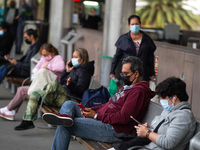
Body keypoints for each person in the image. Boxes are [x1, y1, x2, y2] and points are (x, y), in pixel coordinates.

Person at [42, 56, 156, 150]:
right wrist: (92, 110)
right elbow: (109, 103)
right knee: (69, 104)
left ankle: (66, 120)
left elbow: (124, 117)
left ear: (136, 74)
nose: (122, 76)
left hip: (113, 129)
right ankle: (65, 117)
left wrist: (96, 115)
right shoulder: (128, 87)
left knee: (66, 125)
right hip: (103, 119)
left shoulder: (138, 92)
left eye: (125, 73)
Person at [14, 48, 95, 130]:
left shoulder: (85, 72)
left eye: (75, 57)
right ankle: (27, 121)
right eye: (72, 56)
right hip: (62, 96)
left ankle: (44, 95)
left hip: (71, 100)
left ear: (81, 59)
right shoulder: (75, 68)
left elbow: (81, 90)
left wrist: (70, 85)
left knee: (54, 83)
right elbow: (63, 81)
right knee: (35, 94)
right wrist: (67, 71)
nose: (72, 59)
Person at [0, 43, 65, 121]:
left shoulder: (58, 58)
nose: (44, 57)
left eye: (46, 54)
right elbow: (36, 68)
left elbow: (61, 67)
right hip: (41, 85)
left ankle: (9, 110)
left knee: (23, 90)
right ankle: (10, 110)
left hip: (49, 89)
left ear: (52, 52)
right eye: (43, 55)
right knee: (21, 89)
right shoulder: (43, 58)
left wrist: (48, 66)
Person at [131, 77, 196, 150]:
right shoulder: (169, 110)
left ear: (174, 98)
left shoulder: (183, 116)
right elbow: (160, 131)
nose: (161, 101)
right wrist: (147, 129)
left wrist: (147, 133)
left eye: (163, 97)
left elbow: (169, 142)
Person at [110, 15, 156, 82]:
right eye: (132, 24)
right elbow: (117, 57)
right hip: (127, 74)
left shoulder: (147, 40)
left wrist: (152, 74)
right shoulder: (123, 39)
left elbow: (151, 58)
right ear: (129, 26)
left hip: (142, 75)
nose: (135, 26)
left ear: (140, 24)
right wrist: (112, 71)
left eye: (136, 24)